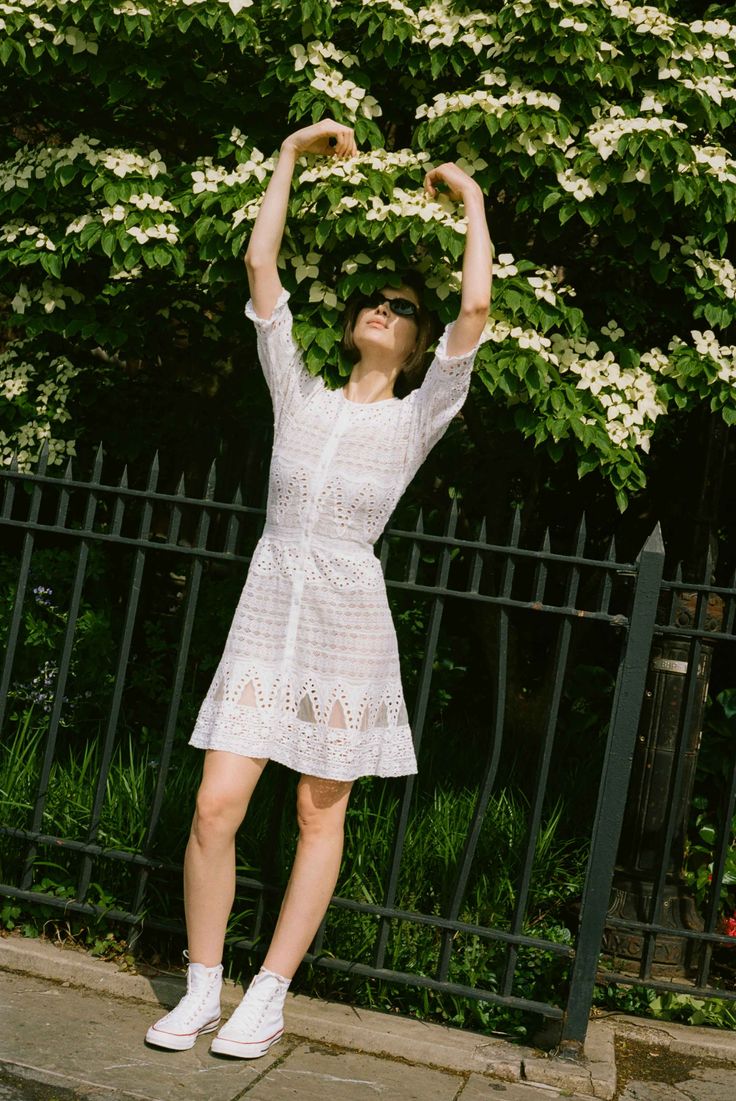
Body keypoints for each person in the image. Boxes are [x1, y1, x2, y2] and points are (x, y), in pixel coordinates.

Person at [145, 118, 492, 1058]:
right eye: (372, 300)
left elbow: (475, 315)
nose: (384, 308)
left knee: (314, 810)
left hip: (346, 620)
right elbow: (262, 269)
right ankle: (202, 985)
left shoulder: (422, 414)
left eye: (400, 306)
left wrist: (472, 201)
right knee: (217, 803)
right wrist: (290, 156)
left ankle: (270, 991)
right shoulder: (297, 392)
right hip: (268, 607)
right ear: (351, 325)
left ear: (415, 344)